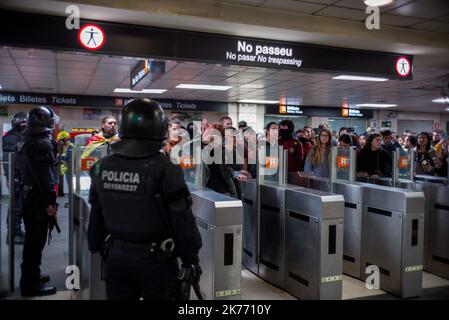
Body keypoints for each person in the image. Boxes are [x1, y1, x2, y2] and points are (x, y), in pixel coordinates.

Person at [87, 98, 202, 300]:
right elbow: (182, 219)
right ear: (159, 128)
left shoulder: (101, 166)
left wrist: (96, 244)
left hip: (116, 257)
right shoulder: (166, 169)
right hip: (157, 261)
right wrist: (190, 258)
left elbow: (97, 211)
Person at [16, 106, 59, 297]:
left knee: (32, 243)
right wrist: (51, 203)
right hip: (39, 201)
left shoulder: (25, 140)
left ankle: (33, 277)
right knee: (35, 244)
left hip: (27, 197)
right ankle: (30, 286)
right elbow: (47, 178)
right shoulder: (43, 143)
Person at [2, 112, 27, 244]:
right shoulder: (11, 138)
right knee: (16, 206)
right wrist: (14, 179)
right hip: (15, 178)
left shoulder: (18, 136)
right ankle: (12, 234)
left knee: (19, 206)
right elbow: (10, 161)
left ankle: (16, 230)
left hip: (18, 178)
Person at [57, 131, 75, 203]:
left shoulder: (70, 146)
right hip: (67, 169)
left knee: (70, 185)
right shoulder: (67, 146)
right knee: (69, 185)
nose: (60, 142)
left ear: (64, 139)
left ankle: (71, 201)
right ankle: (71, 201)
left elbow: (68, 158)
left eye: (61, 140)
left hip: (69, 169)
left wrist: (60, 156)